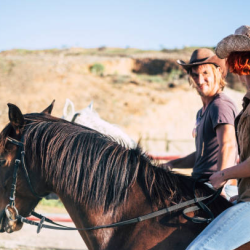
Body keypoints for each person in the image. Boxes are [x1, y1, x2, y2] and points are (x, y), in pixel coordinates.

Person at [186, 25, 250, 250]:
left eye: (237, 59)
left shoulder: (223, 105)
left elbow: (229, 146)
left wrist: (223, 176)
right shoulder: (245, 103)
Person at [161, 48, 238, 196]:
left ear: (218, 73)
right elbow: (202, 156)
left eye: (205, 73)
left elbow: (228, 145)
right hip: (201, 183)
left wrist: (220, 186)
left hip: (215, 186)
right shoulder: (201, 112)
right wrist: (172, 164)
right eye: (195, 75)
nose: (199, 80)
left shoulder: (220, 105)